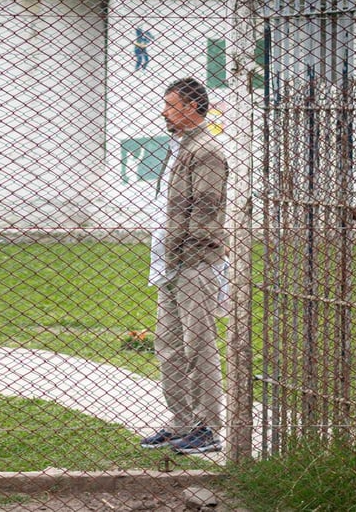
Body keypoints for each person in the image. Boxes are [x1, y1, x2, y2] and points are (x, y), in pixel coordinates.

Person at [140, 78, 228, 454]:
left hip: (194, 263)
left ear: (192, 108)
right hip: (171, 263)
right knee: (169, 346)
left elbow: (205, 213)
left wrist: (180, 254)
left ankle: (208, 427)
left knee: (198, 346)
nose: (164, 112)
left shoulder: (206, 150)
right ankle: (182, 421)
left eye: (171, 105)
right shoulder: (181, 146)